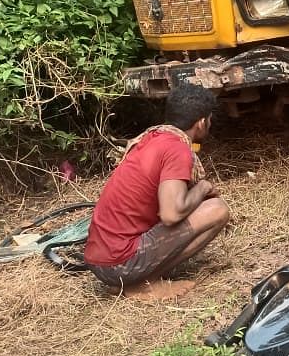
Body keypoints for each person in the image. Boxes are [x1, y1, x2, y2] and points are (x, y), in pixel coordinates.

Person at [84, 83, 230, 291]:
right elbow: (171, 214)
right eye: (209, 119)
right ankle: (144, 284)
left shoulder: (153, 137)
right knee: (217, 210)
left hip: (100, 258)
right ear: (200, 123)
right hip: (119, 264)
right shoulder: (176, 149)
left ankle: (138, 279)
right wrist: (204, 187)